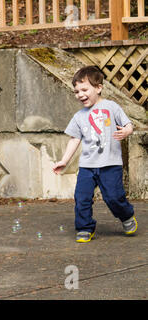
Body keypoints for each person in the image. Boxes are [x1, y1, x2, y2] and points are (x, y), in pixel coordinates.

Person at [52, 66, 137, 243]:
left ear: (98, 88)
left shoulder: (111, 107)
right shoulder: (79, 116)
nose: (80, 94)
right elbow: (74, 140)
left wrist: (126, 132)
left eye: (84, 89)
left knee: (113, 198)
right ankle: (84, 228)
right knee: (81, 198)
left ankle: (126, 215)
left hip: (110, 164)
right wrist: (64, 161)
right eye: (76, 91)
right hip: (87, 166)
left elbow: (128, 124)